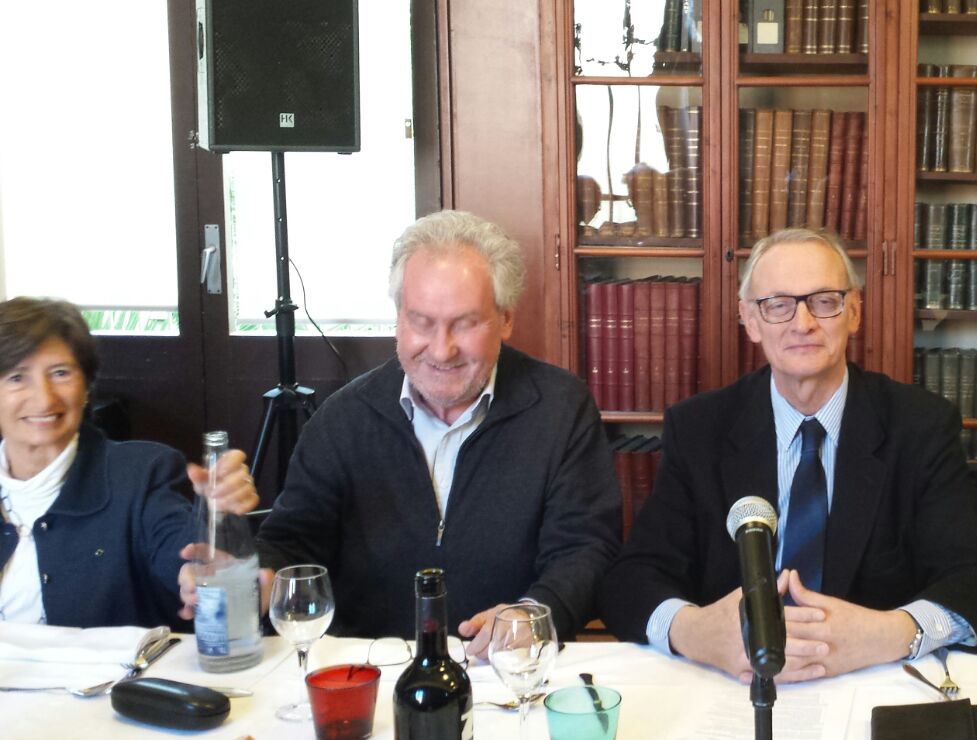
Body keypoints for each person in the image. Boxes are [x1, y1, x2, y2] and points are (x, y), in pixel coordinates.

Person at [598, 228, 977, 683]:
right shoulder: (700, 428)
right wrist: (693, 631)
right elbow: (630, 580)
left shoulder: (920, 427)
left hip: (871, 683)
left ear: (854, 311)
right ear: (750, 321)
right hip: (734, 686)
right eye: (778, 304)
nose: (803, 323)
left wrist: (893, 632)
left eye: (824, 301)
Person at [236, 210, 621, 649]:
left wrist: (533, 615)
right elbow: (292, 546)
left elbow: (585, 550)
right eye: (421, 322)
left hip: (507, 663)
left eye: (465, 323)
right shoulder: (342, 419)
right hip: (370, 668)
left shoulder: (560, 408)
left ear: (506, 319)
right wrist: (250, 579)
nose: (441, 350)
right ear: (398, 316)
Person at [0, 297, 256, 627]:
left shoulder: (141, 472)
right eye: (17, 378)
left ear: (87, 389)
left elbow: (178, 548)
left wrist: (204, 553)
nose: (43, 398)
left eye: (60, 373)